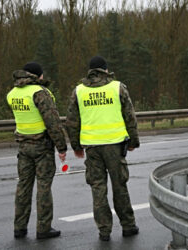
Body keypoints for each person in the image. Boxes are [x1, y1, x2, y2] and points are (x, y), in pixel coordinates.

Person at [66, 56, 140, 241]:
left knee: (98, 188)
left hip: (92, 148)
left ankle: (104, 230)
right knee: (119, 186)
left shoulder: (79, 91)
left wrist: (75, 146)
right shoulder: (117, 87)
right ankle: (128, 226)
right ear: (106, 70)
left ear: (90, 71)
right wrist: (133, 141)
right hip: (114, 145)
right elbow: (129, 116)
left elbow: (72, 122)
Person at [7, 62, 67, 239]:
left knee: (23, 187)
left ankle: (19, 227)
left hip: (23, 146)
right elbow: (53, 123)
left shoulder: (12, 94)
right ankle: (43, 228)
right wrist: (61, 147)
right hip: (42, 146)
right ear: (38, 76)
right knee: (43, 187)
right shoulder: (40, 93)